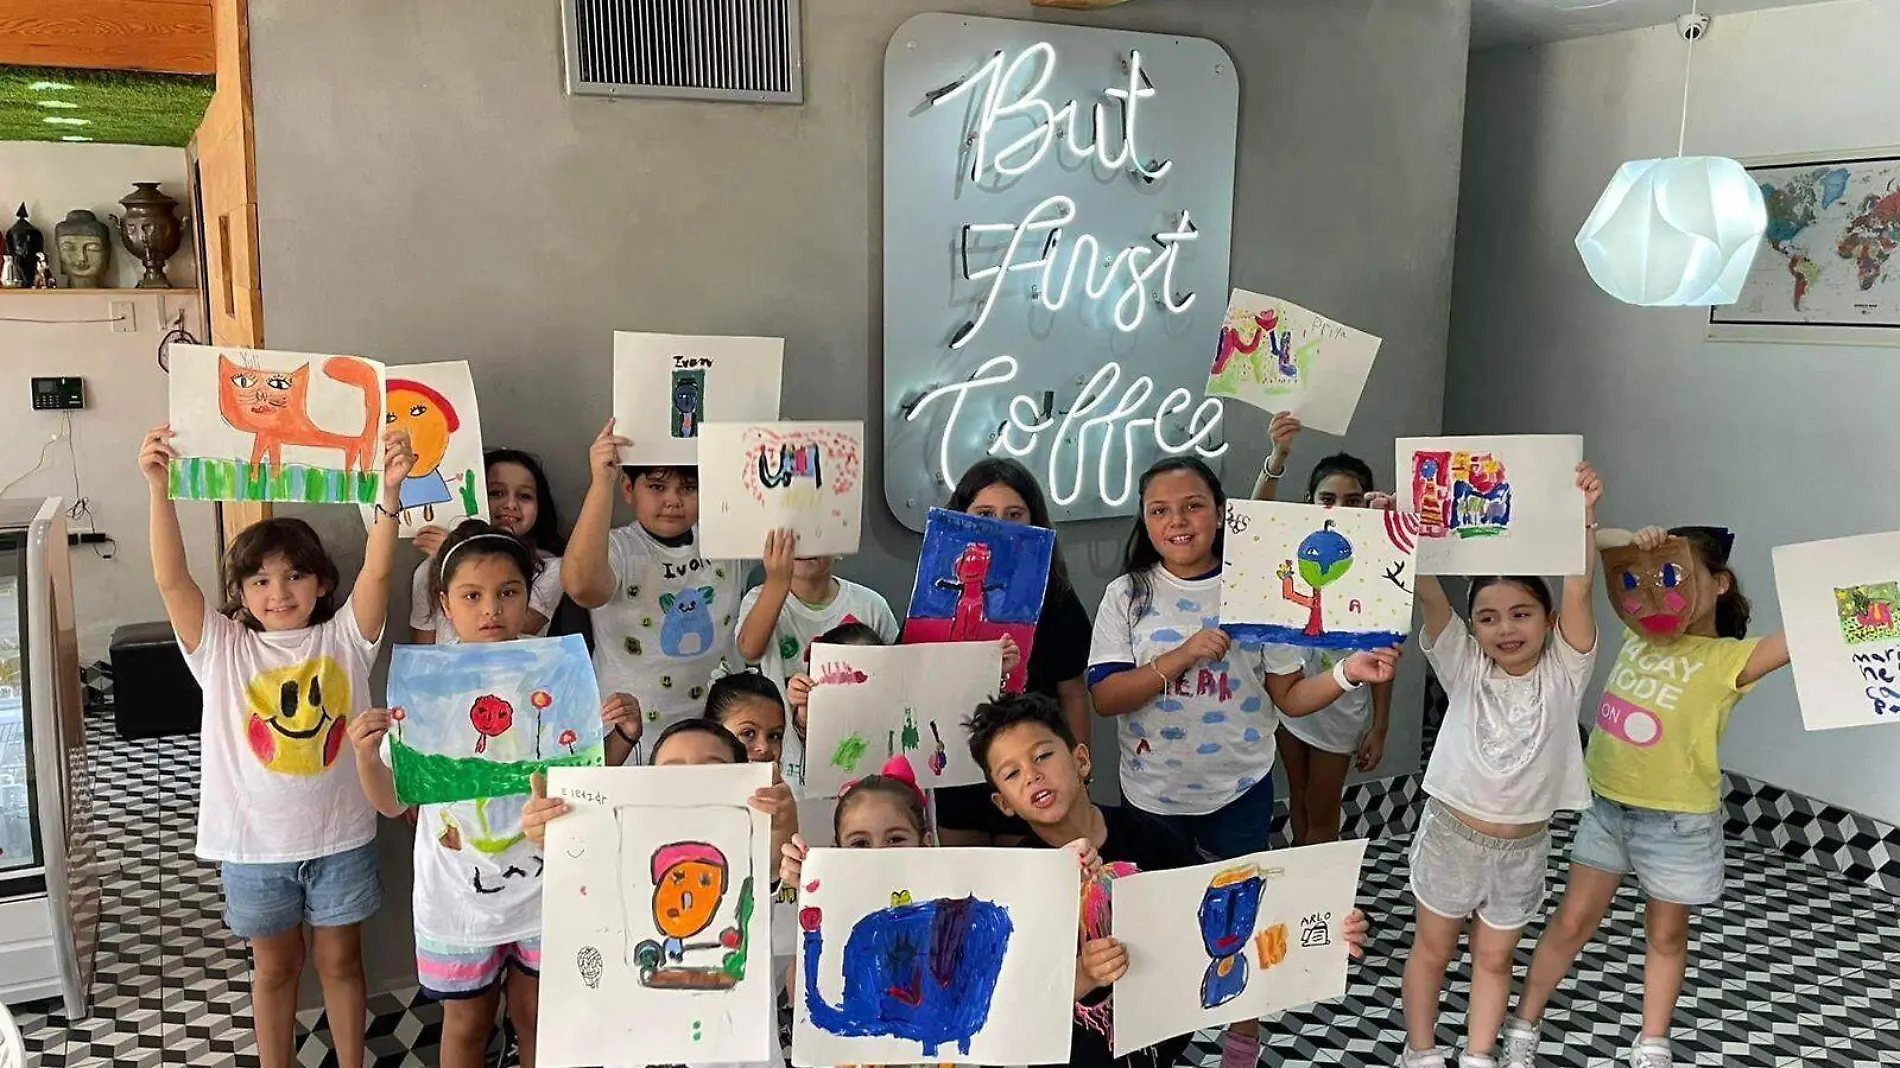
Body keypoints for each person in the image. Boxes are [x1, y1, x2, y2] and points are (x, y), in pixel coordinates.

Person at [1088, 455, 1396, 1068]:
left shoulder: (1254, 583)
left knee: (1242, 917)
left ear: (1220, 511)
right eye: (1160, 510)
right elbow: (1104, 696)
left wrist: (1344, 673)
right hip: (1152, 799)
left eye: (1193, 505)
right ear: (1145, 522)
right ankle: (1153, 1045)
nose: (1178, 521)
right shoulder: (1128, 594)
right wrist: (1181, 656)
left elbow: (1290, 696)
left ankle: (1241, 1044)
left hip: (1239, 790)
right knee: (1153, 932)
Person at [138, 423, 415, 1068]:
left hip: (342, 835)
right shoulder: (222, 650)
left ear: (321, 584)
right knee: (273, 970)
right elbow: (174, 581)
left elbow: (379, 570)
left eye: (294, 577)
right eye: (260, 582)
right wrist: (159, 492)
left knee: (342, 964)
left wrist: (390, 495)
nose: (279, 593)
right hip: (253, 846)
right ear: (240, 594)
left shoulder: (347, 638)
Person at [347, 522, 640, 1068]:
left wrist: (622, 735)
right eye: (472, 595)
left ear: (528, 595)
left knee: (538, 1015)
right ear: (444, 603)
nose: (492, 609)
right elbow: (393, 804)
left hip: (547, 889)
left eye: (508, 592)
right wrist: (366, 757)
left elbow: (588, 782)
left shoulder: (556, 673)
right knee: (466, 1023)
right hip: (459, 899)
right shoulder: (428, 686)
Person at [1498, 526, 1790, 1068]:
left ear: (1719, 583)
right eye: (1648, 577)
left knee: (1667, 933)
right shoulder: (1639, 634)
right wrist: (1629, 536)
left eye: (1674, 575)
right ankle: (1524, 1021)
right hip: (1607, 808)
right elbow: (1586, 550)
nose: (1656, 590)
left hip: (1678, 824)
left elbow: (1807, 634)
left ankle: (1652, 1041)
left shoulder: (1729, 659)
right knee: (1571, 922)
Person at [966, 692, 1369, 1068]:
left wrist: (1330, 928)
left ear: (1081, 760)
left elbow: (1227, 913)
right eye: (1012, 774)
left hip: (1159, 1046)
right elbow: (1014, 996)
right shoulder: (1016, 881)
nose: (1032, 775)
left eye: (1042, 756)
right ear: (1003, 803)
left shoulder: (1148, 837)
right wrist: (1085, 973)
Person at [1382, 464, 1604, 1068]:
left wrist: (1581, 516)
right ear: (1474, 628)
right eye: (1488, 617)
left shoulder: (1566, 670)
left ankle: (1480, 1054)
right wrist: (1399, 525)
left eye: (1521, 613)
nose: (1505, 628)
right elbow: (1427, 591)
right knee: (1432, 950)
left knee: (1495, 958)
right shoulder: (1463, 664)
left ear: (1550, 621)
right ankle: (1422, 1051)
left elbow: (1580, 587)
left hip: (1523, 850)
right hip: (1454, 837)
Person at [934, 458, 1096, 847]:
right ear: (963, 518)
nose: (999, 526)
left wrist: (1078, 772)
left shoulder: (1056, 598)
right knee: (963, 879)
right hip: (956, 762)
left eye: (1014, 514)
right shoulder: (936, 597)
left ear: (1033, 522)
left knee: (1025, 872)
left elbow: (1073, 691)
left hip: (1030, 768)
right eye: (985, 514)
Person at [563, 419, 744, 745]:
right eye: (657, 487)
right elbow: (582, 587)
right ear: (629, 489)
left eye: (689, 488)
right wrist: (602, 482)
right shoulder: (619, 548)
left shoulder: (727, 540)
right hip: (628, 737)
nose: (674, 501)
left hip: (717, 734)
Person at [1255, 436, 1396, 844]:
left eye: (1353, 499)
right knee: (1298, 799)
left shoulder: (1380, 568)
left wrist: (1380, 725)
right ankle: (1303, 890)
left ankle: (1322, 897)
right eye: (1328, 498)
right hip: (1291, 699)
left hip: (1341, 708)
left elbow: (1384, 659)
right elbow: (1256, 521)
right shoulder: (1295, 553)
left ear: (1368, 503)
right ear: (1309, 502)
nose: (1341, 508)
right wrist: (1277, 457)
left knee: (1322, 809)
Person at [734, 529, 898, 786]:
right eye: (794, 536)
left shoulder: (870, 605)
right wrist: (777, 579)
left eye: (817, 533)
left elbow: (898, 677)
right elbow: (749, 649)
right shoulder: (760, 599)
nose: (805, 546)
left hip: (866, 760)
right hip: (792, 767)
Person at [410, 448, 568, 643]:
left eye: (525, 495)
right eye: (496, 493)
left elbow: (503, 634)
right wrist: (453, 555)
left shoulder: (551, 568)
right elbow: (422, 651)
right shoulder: (428, 572)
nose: (511, 504)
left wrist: (455, 551)